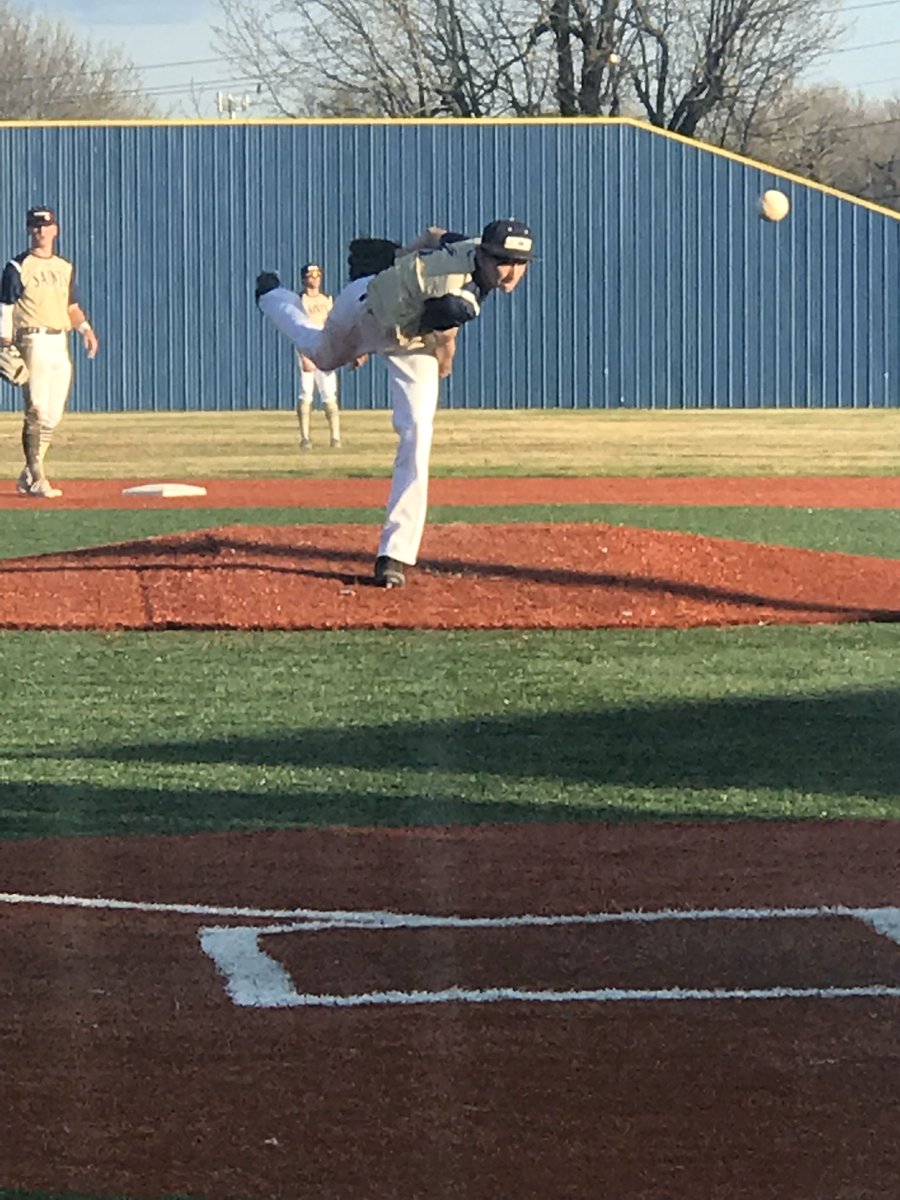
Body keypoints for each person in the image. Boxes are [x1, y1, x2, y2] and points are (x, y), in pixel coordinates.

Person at [256, 218, 534, 587]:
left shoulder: (469, 247)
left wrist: (402, 255)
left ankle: (394, 554)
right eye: (502, 260)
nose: (511, 271)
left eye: (519, 262)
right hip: (366, 310)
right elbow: (445, 342)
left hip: (411, 337)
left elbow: (434, 234)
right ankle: (272, 296)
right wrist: (444, 363)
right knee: (320, 354)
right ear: (482, 255)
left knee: (417, 433)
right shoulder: (459, 298)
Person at [0, 205, 99, 499]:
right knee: (36, 409)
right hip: (33, 338)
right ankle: (38, 476)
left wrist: (85, 330)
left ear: (55, 230)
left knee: (53, 415)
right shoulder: (18, 266)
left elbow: (71, 306)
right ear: (29, 230)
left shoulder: (64, 267)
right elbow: (5, 307)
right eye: (35, 226)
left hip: (59, 340)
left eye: (45, 225)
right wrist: (4, 343)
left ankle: (29, 473)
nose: (41, 231)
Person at [294, 263, 342, 450]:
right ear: (304, 279)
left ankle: (335, 437)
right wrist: (304, 354)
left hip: (326, 348)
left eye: (318, 275)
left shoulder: (327, 300)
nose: (315, 279)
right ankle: (305, 437)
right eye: (311, 275)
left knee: (329, 393)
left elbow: (334, 325)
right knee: (306, 392)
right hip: (308, 348)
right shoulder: (300, 301)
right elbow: (297, 329)